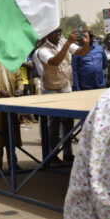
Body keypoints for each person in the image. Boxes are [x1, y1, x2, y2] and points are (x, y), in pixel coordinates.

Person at [64, 77, 110, 219]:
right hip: (81, 85)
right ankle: (64, 154)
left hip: (97, 84)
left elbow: (79, 201)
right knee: (59, 127)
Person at [37, 28, 90, 164]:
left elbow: (82, 53)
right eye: (55, 32)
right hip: (51, 88)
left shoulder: (63, 42)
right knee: (53, 123)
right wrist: (67, 44)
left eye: (60, 31)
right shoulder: (42, 50)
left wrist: (86, 43)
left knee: (68, 122)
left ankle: (67, 153)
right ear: (47, 33)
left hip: (66, 85)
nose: (58, 34)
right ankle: (52, 155)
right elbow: (54, 62)